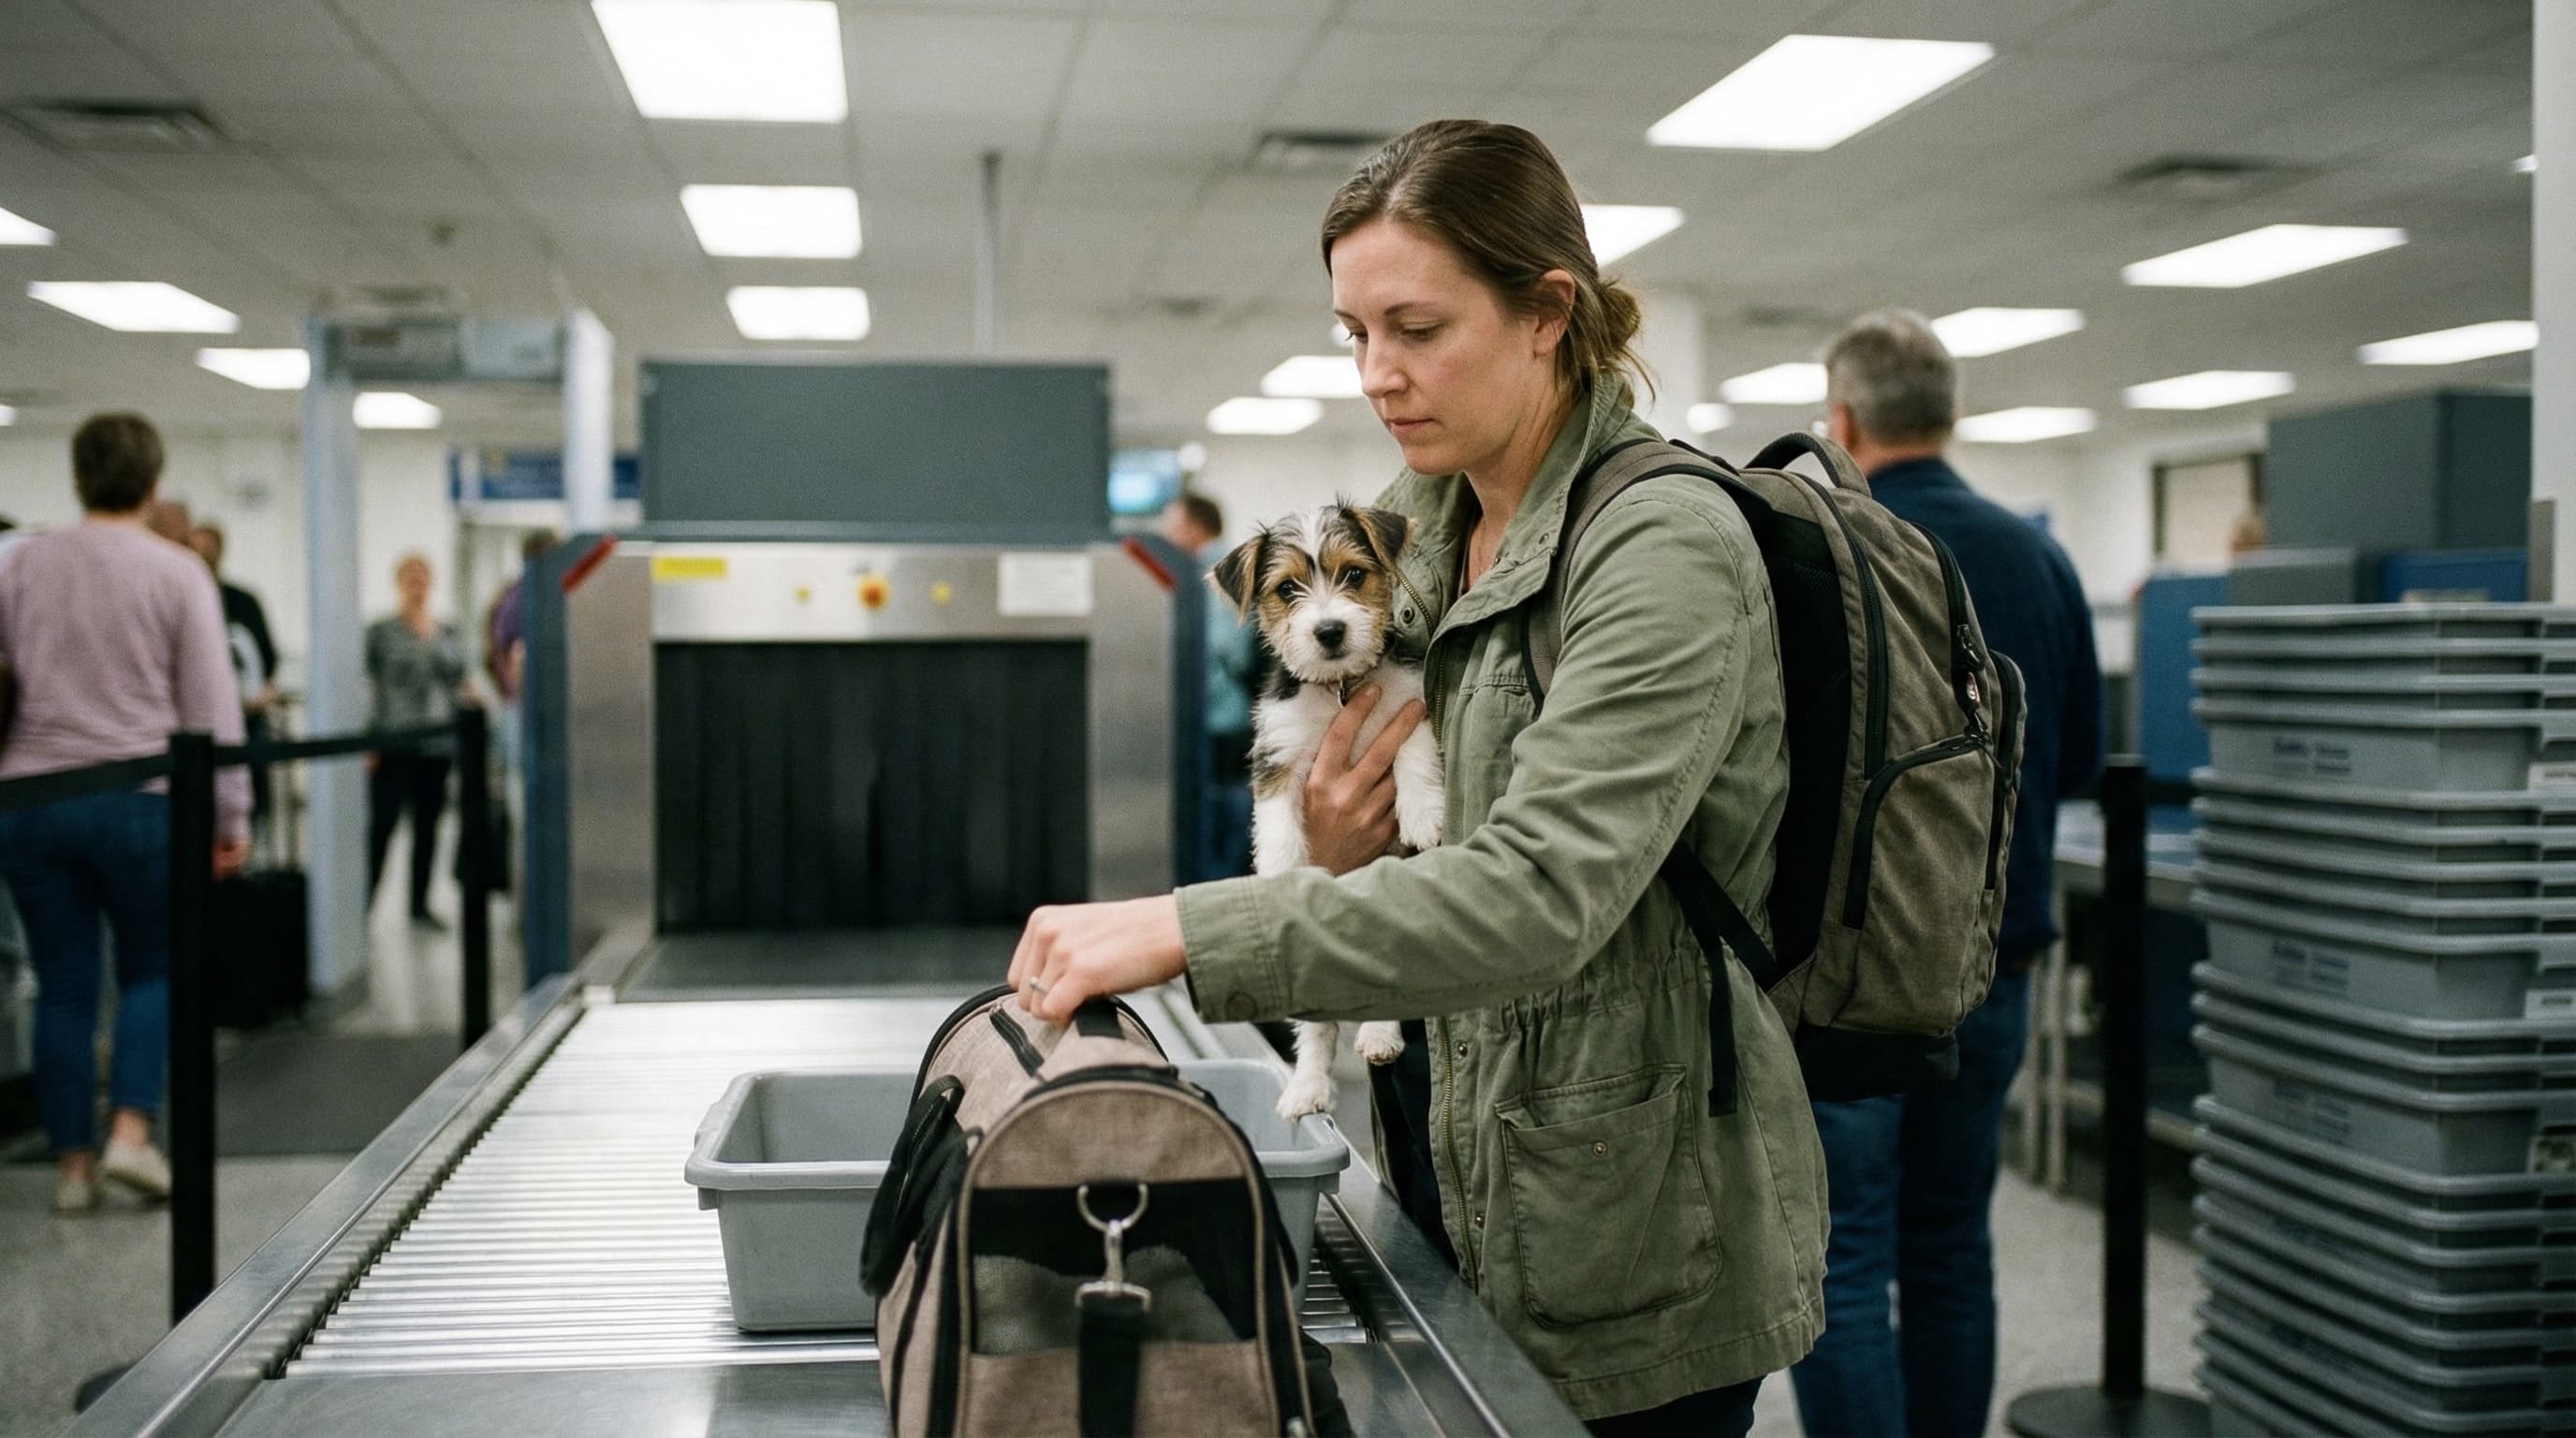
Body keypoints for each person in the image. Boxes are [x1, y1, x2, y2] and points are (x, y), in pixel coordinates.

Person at [1002, 120, 1827, 1436]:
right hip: (1442, 1156)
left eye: (1418, 328)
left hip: (1622, 1220)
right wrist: (1324, 844)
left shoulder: (1660, 551)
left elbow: (1540, 895)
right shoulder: (1421, 517)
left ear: (1548, 310)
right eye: (1355, 333)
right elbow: (1351, 798)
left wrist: (1181, 929)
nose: (1380, 374)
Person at [1788, 310, 2105, 1438]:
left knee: (1847, 1252)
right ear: (1949, 415)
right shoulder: (2037, 554)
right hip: (1998, 961)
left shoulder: (1826, 542)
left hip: (1859, 978)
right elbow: (2070, 763)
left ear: (1844, 419)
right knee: (1950, 1245)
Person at [0, 413, 250, 1213]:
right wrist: (230, 817)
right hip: (142, 798)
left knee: (63, 985)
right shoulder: (178, 573)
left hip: (34, 799)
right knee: (153, 969)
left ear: (77, 478)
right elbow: (210, 708)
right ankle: (131, 1134)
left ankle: (72, 1169)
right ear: (153, 482)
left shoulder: (22, 563)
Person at [1158, 492, 1259, 881]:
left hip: (1223, 714)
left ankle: (1223, 887)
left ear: (1193, 527)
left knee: (1227, 807)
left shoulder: (1214, 570)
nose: (1166, 533)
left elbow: (1220, 648)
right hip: (1230, 713)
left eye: (1172, 522)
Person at [364, 552, 468, 929]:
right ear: (399, 581)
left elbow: (459, 679)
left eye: (422, 576)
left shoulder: (446, 632)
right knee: (383, 826)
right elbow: (370, 688)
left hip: (436, 745)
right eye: (409, 576)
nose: (416, 583)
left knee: (428, 828)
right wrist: (370, 740)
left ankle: (419, 904)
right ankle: (365, 902)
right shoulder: (381, 632)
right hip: (395, 740)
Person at [188, 523, 281, 825]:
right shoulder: (184, 597)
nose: (203, 555)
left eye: (209, 549)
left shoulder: (242, 601)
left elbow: (267, 654)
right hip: (201, 721)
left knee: (247, 796)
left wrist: (257, 694)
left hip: (247, 716)